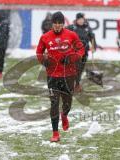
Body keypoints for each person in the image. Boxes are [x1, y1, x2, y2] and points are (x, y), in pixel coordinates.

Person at [36, 11, 84, 142]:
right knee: (54, 103)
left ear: (63, 24)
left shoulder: (71, 35)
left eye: (60, 23)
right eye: (55, 23)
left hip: (68, 75)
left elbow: (81, 50)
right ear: (52, 23)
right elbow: (39, 52)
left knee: (67, 103)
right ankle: (55, 133)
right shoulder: (45, 37)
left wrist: (71, 58)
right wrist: (43, 61)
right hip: (52, 76)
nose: (57, 25)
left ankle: (65, 115)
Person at [67, 12, 95, 92]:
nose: (81, 21)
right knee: (75, 69)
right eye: (79, 19)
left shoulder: (87, 28)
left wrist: (93, 47)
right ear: (77, 19)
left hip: (85, 52)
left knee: (80, 70)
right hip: (75, 52)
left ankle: (76, 84)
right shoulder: (72, 27)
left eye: (82, 19)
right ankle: (74, 85)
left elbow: (92, 38)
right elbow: (64, 33)